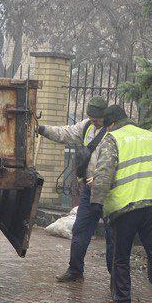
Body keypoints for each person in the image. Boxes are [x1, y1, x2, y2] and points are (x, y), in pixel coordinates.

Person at [89, 105, 152, 303]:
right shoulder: (151, 136)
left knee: (121, 256)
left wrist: (96, 202)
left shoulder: (113, 138)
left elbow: (104, 172)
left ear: (111, 123)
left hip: (126, 208)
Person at [37, 96, 113, 283]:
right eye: (91, 118)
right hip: (88, 190)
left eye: (97, 118)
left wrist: (101, 179)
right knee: (80, 230)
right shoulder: (86, 127)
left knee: (113, 235)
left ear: (105, 115)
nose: (94, 121)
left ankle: (116, 277)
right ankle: (75, 270)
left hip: (109, 191)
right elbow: (65, 133)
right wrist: (42, 129)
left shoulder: (114, 130)